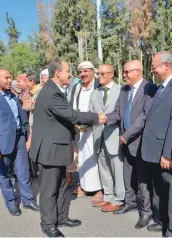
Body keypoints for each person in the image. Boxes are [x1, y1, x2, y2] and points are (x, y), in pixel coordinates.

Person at [29, 60, 107, 237]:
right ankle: (48, 223)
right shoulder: (51, 93)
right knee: (49, 189)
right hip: (50, 149)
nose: (70, 74)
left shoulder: (55, 90)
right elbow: (71, 114)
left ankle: (61, 217)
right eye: (67, 71)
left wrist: (74, 127)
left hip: (58, 147)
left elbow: (60, 118)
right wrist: (96, 117)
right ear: (57, 73)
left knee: (62, 184)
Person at [140, 51, 172, 236]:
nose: (152, 69)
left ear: (166, 66)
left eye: (154, 65)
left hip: (167, 152)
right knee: (161, 191)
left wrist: (167, 154)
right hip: (155, 151)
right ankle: (164, 222)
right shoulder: (161, 87)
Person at [0, 68, 39, 216]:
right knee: (4, 174)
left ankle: (28, 199)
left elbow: (20, 116)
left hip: (19, 138)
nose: (9, 80)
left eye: (10, 77)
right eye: (6, 78)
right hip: (2, 143)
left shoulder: (12, 95)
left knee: (23, 171)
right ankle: (11, 203)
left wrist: (27, 136)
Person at [106, 60, 157, 217]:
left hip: (140, 141)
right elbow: (117, 113)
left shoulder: (149, 88)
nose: (124, 74)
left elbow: (145, 116)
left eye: (127, 71)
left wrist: (126, 136)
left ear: (138, 72)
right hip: (126, 142)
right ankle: (130, 203)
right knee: (127, 176)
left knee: (143, 179)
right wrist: (100, 118)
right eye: (124, 71)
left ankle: (147, 211)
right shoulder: (124, 90)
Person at [89, 64, 124, 212]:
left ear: (111, 74)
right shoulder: (94, 93)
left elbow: (121, 113)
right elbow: (91, 112)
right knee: (104, 168)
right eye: (98, 74)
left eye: (103, 74)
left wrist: (105, 118)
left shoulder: (121, 90)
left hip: (114, 136)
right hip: (99, 136)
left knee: (117, 169)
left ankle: (119, 198)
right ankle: (108, 195)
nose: (99, 76)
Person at [71, 61, 102, 201]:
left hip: (95, 128)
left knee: (95, 158)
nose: (83, 74)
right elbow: (72, 107)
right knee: (82, 157)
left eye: (86, 71)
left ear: (92, 72)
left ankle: (98, 189)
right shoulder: (76, 88)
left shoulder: (98, 86)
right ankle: (83, 186)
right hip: (80, 128)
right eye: (81, 72)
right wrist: (76, 123)